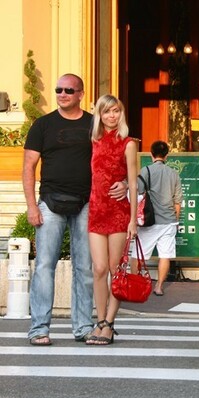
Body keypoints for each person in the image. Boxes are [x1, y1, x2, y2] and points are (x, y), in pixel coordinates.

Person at [23, 74, 127, 346]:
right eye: (58, 89)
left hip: (86, 204)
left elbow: (117, 155)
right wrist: (32, 206)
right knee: (45, 265)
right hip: (49, 203)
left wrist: (127, 182)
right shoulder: (42, 125)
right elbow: (28, 167)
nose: (62, 93)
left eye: (69, 90)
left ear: (81, 94)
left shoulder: (93, 124)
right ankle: (39, 329)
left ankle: (83, 326)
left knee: (85, 267)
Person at [85, 94, 138, 345]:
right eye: (106, 112)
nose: (111, 116)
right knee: (98, 269)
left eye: (116, 111)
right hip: (96, 210)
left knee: (116, 271)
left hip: (118, 211)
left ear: (121, 113)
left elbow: (134, 183)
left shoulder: (128, 143)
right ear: (99, 114)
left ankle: (109, 323)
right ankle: (99, 320)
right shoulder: (93, 141)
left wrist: (133, 220)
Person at [131, 140, 183, 296]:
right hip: (169, 221)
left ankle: (135, 285)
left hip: (149, 221)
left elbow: (137, 192)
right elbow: (178, 201)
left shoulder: (145, 171)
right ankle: (159, 286)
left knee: (137, 255)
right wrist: (176, 220)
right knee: (165, 255)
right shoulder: (174, 174)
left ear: (150, 154)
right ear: (166, 155)